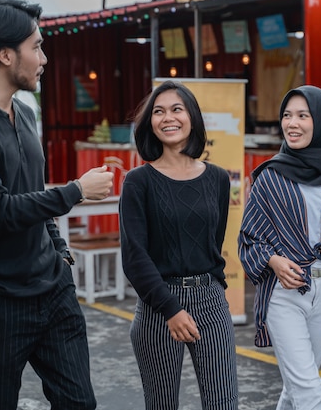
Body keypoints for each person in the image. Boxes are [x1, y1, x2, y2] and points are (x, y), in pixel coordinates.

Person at [0, 0, 114, 410]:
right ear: (5, 54)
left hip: (53, 291)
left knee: (80, 403)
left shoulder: (24, 113)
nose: (44, 57)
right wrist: (76, 190)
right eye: (36, 46)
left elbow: (32, 190)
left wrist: (59, 250)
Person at [239, 85, 321, 409]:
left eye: (302, 115)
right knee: (309, 389)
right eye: (287, 115)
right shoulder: (270, 176)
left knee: (297, 385)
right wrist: (273, 261)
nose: (292, 123)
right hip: (285, 294)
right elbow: (249, 236)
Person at [119, 80, 238, 410]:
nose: (167, 118)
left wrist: (214, 290)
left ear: (192, 118)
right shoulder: (138, 182)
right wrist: (170, 308)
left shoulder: (217, 178)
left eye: (176, 109)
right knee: (161, 405)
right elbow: (134, 256)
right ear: (150, 123)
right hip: (159, 305)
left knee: (223, 403)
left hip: (210, 299)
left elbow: (213, 244)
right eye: (158, 111)